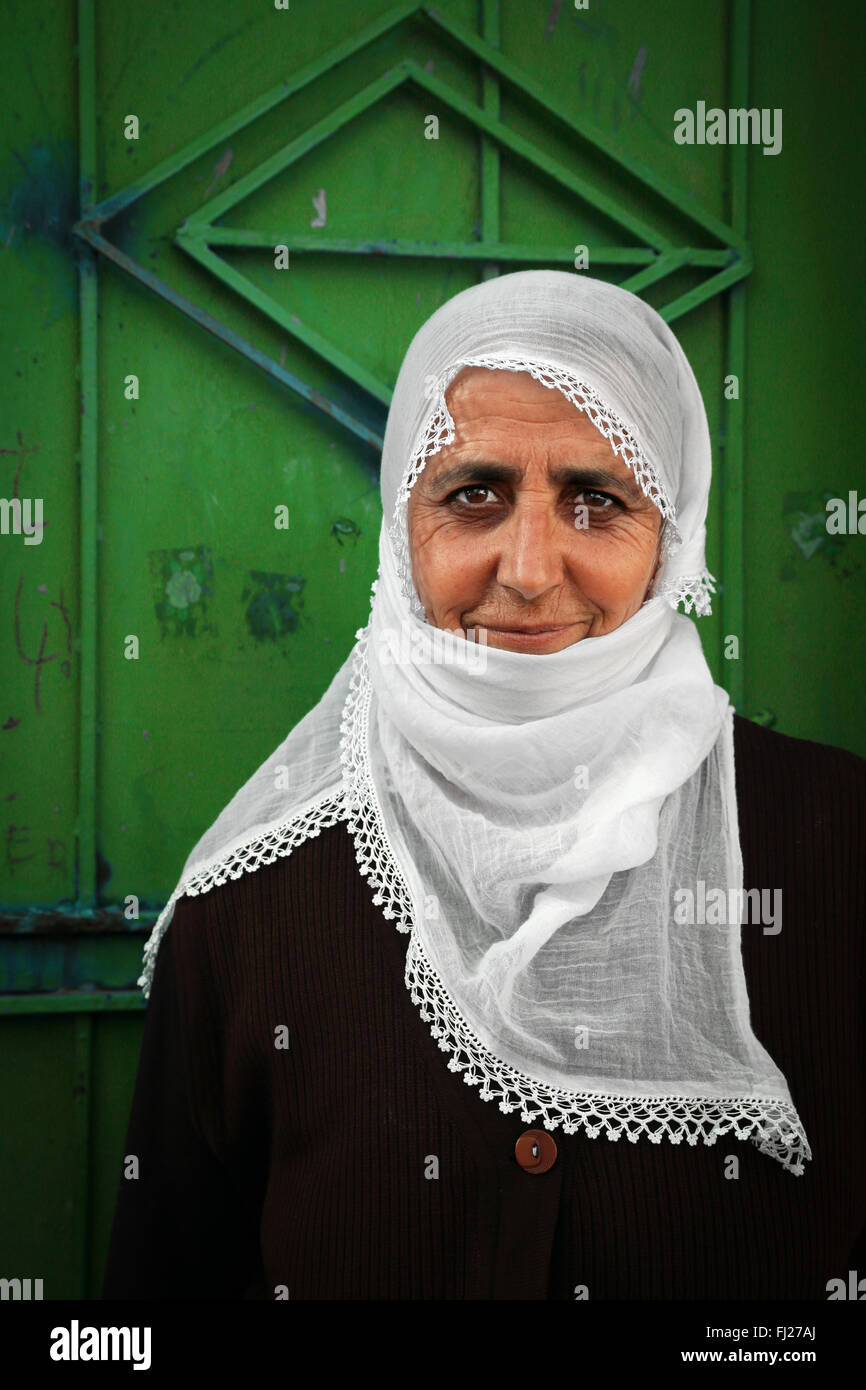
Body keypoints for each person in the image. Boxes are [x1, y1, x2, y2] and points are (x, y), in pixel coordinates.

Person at [102, 270, 865, 1301]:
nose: (530, 566)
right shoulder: (248, 908)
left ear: (671, 534)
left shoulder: (835, 847)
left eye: (596, 499)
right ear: (398, 524)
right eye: (473, 495)